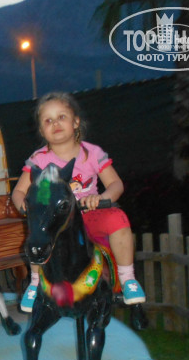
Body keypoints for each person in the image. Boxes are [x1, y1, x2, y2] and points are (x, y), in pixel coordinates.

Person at [11, 92, 146, 312]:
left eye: (61, 117)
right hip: (56, 219)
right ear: (42, 130)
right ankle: (35, 282)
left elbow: (116, 184)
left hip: (88, 214)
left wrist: (101, 198)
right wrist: (23, 205)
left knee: (118, 219)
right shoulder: (38, 159)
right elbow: (19, 191)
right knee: (38, 231)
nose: (55, 124)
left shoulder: (91, 153)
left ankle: (127, 277)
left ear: (76, 122)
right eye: (48, 120)